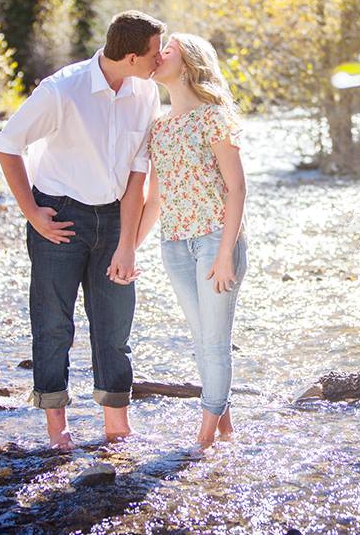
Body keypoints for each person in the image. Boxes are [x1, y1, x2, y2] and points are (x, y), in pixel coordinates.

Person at [0, 10, 164, 450]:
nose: (159, 59)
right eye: (153, 52)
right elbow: (8, 144)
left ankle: (116, 426)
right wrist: (32, 212)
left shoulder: (145, 93)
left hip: (113, 218)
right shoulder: (61, 89)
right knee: (53, 323)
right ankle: (57, 425)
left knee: (114, 327)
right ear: (129, 56)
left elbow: (136, 178)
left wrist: (128, 245)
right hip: (59, 216)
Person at [136, 33, 248, 447]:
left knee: (215, 342)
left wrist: (225, 255)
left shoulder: (214, 117)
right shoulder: (160, 128)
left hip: (216, 240)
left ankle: (201, 441)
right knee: (202, 340)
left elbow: (237, 189)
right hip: (174, 245)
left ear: (186, 65)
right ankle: (225, 429)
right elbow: (155, 199)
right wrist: (129, 249)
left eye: (167, 50)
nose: (157, 54)